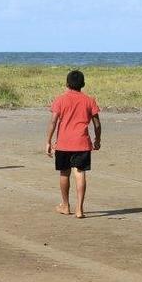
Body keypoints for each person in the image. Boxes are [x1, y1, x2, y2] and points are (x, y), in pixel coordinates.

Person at [45, 70, 101, 218]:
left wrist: (48, 141)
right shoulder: (89, 100)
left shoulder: (60, 99)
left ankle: (65, 205)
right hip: (82, 143)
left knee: (64, 173)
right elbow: (97, 124)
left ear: (67, 84)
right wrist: (98, 139)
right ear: (82, 84)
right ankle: (79, 209)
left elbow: (53, 122)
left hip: (64, 144)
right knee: (80, 173)